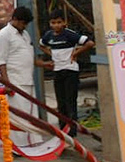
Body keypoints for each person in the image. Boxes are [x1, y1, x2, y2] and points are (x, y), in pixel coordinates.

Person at [37, 10, 94, 138]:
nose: (56, 25)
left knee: (70, 101)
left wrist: (76, 53)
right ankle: (63, 131)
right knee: (61, 102)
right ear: (50, 24)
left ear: (64, 22)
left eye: (59, 22)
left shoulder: (70, 35)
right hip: (57, 71)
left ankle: (72, 132)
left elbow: (89, 43)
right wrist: (51, 54)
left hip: (70, 71)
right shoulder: (49, 36)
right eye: (53, 23)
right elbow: (41, 45)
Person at [0, 6, 37, 148]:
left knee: (28, 114)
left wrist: (44, 64)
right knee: (17, 116)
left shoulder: (25, 34)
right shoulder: (4, 35)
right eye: (23, 23)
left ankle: (29, 143)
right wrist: (7, 83)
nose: (25, 26)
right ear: (15, 19)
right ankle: (16, 146)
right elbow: (1, 61)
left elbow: (27, 56)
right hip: (15, 81)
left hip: (27, 79)